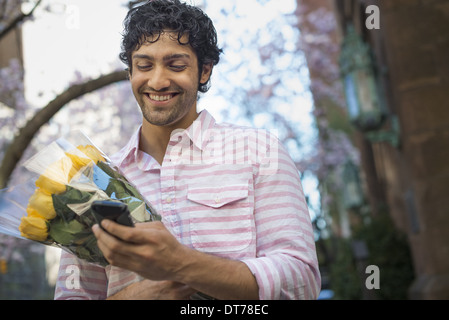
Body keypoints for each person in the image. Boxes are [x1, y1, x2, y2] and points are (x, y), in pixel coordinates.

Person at [54, 0, 321, 300]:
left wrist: (181, 264)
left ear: (204, 71)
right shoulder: (95, 182)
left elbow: (300, 281)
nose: (157, 80)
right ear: (130, 73)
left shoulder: (259, 152)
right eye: (144, 65)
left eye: (176, 65)